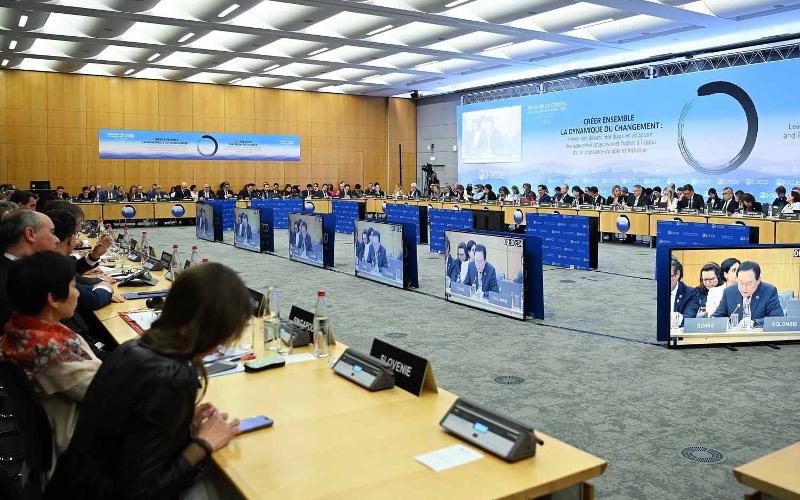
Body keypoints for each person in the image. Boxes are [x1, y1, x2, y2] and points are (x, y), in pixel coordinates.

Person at [46, 264, 249, 498]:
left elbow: (133, 431)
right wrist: (204, 443)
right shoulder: (173, 377)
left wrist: (180, 427)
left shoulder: (132, 348)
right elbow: (143, 490)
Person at [1, 252, 102, 458]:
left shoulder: (19, 331)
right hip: (82, 450)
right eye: (73, 287)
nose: (78, 294)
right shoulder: (50, 353)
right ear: (53, 299)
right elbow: (111, 395)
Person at [711, 261, 783, 324]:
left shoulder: (769, 291)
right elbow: (717, 317)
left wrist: (755, 323)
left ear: (758, 280)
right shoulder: (729, 292)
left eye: (748, 283)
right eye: (741, 282)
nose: (744, 288)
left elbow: (777, 319)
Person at [669, 259, 698, 327]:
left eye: (668, 276)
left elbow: (688, 320)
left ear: (677, 274)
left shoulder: (690, 293)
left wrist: (675, 318)